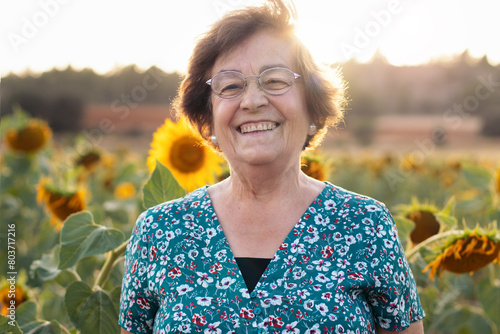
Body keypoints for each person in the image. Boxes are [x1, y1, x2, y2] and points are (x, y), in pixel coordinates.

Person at [118, 0, 425, 333]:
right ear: (207, 121)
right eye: (231, 86)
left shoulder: (366, 226)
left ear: (313, 108)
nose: (252, 101)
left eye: (275, 80)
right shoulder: (159, 233)